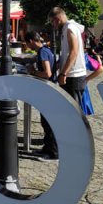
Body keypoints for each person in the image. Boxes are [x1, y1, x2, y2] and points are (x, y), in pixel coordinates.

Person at [24, 31, 58, 161]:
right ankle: (47, 147)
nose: (27, 46)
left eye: (27, 43)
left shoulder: (42, 52)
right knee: (45, 121)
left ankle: (53, 153)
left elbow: (47, 73)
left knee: (48, 122)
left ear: (32, 40)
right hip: (49, 90)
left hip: (48, 91)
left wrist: (33, 72)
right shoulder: (46, 50)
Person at [48, 7, 87, 109]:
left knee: (74, 111)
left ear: (57, 19)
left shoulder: (70, 28)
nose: (53, 26)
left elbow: (74, 52)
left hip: (74, 76)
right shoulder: (66, 28)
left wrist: (63, 73)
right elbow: (67, 53)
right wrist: (58, 64)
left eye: (52, 22)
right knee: (68, 109)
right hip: (71, 75)